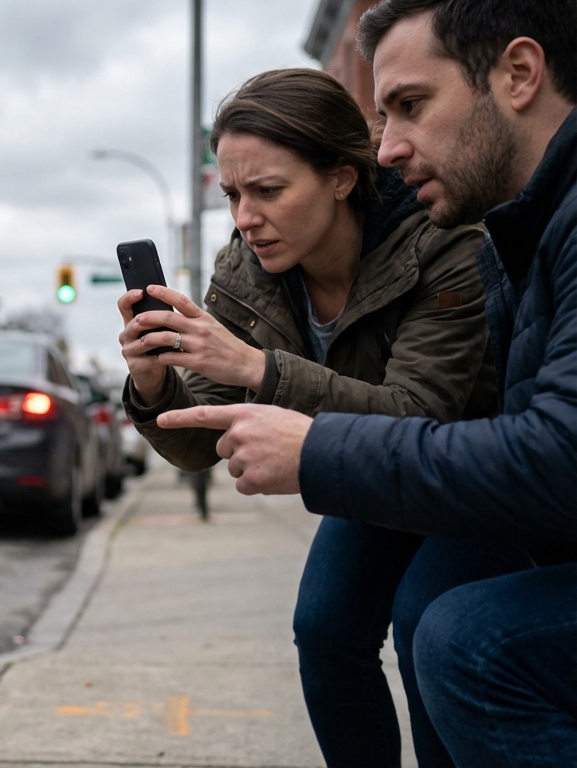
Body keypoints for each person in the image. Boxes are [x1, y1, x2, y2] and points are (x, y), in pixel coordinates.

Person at [158, 1, 577, 763]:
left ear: (340, 180)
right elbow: (198, 446)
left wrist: (261, 372)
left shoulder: (451, 235)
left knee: (435, 624)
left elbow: (426, 412)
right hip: (369, 458)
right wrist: (154, 383)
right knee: (323, 629)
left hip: (458, 450)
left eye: (270, 191)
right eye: (232, 196)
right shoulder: (246, 272)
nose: (246, 219)